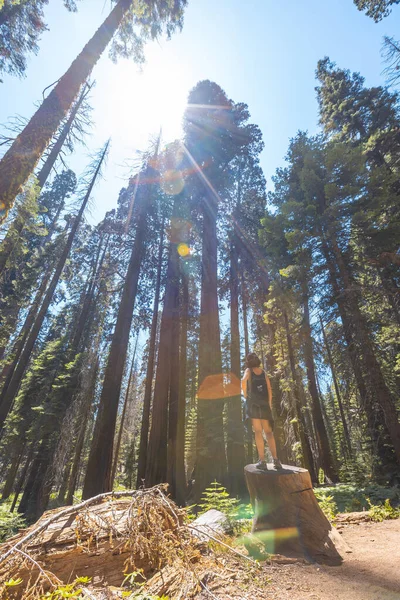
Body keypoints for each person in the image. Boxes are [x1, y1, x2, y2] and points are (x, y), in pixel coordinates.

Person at [241, 352, 282, 471]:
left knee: (258, 432)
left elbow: (243, 381)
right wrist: (268, 404)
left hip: (253, 405)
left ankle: (262, 461)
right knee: (269, 432)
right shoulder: (263, 373)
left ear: (248, 361)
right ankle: (276, 460)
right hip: (264, 405)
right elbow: (269, 389)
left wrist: (245, 394)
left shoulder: (248, 371)